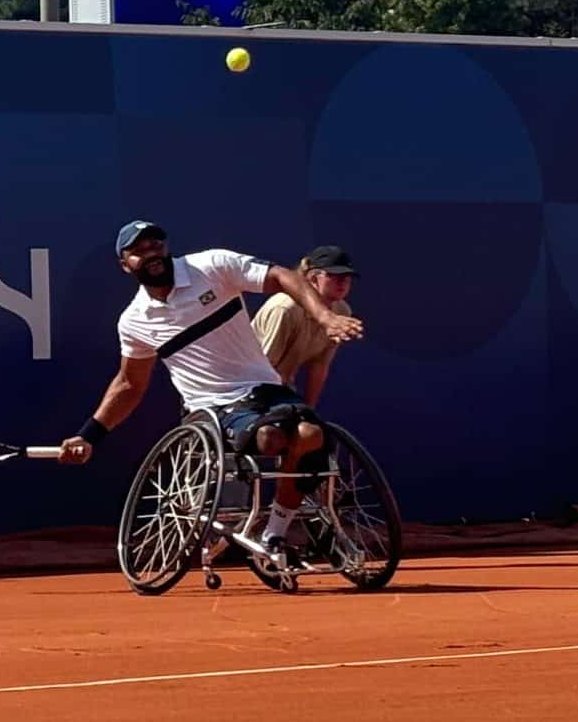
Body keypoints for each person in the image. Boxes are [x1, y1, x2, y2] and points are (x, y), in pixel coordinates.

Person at [59, 222, 362, 563]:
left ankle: (275, 534)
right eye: (139, 251)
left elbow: (280, 276)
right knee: (270, 439)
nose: (150, 254)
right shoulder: (134, 321)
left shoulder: (212, 266)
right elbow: (129, 385)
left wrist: (323, 316)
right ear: (124, 263)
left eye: (155, 245)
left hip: (265, 389)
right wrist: (89, 436)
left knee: (310, 434)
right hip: (211, 407)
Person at [255, 245, 360, 406]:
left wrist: (309, 409)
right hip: (244, 388)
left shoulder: (342, 311)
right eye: (334, 275)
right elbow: (263, 369)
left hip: (282, 390)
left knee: (312, 430)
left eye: (347, 276)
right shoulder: (284, 309)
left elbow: (319, 365)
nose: (344, 281)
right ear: (313, 277)